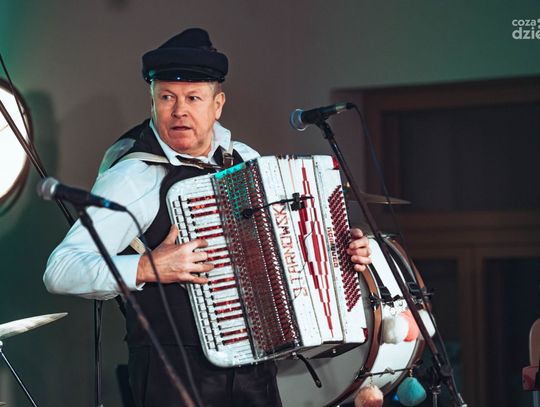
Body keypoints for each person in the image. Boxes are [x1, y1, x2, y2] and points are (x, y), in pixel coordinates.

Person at [44, 28, 372, 407]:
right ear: (152, 102)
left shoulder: (247, 160)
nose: (178, 110)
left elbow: (288, 250)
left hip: (256, 374)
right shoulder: (133, 176)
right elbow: (60, 270)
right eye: (166, 97)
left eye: (193, 98)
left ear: (217, 105)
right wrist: (148, 267)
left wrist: (339, 252)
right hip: (173, 377)